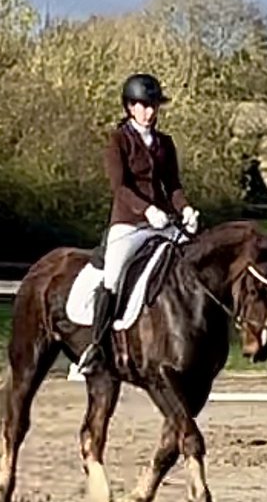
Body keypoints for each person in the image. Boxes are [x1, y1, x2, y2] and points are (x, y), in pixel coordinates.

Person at [77, 72, 200, 375]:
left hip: (164, 222)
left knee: (195, 263)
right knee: (113, 276)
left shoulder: (165, 143)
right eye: (143, 106)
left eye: (154, 105)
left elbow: (172, 185)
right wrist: (146, 211)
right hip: (129, 223)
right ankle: (96, 347)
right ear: (130, 107)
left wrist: (186, 209)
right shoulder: (118, 141)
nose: (150, 112)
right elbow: (120, 187)